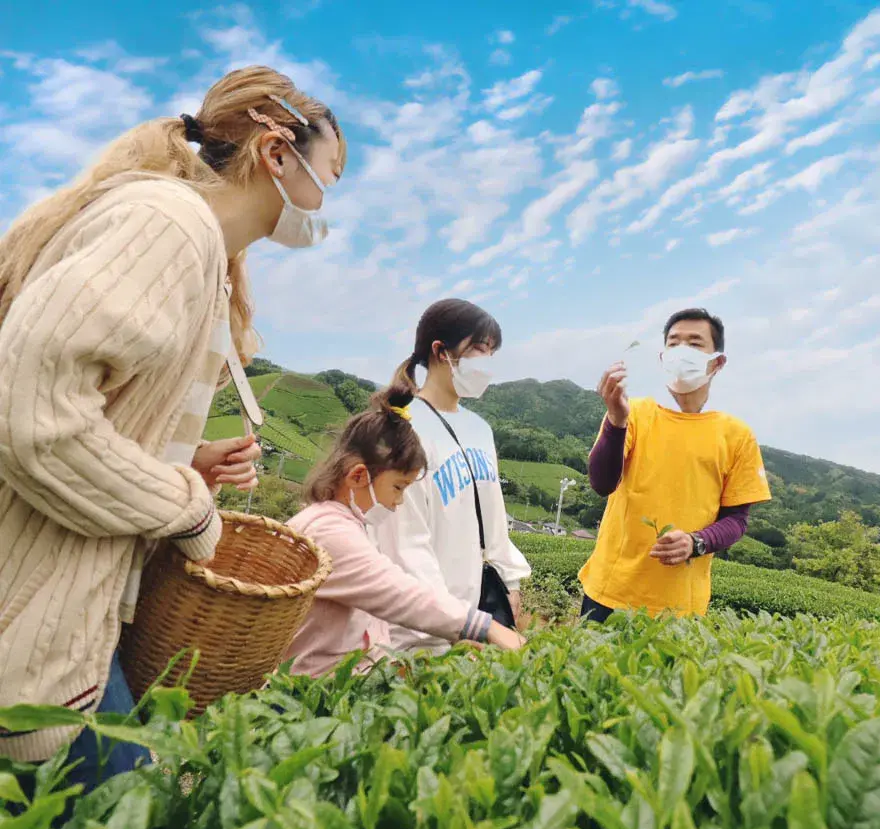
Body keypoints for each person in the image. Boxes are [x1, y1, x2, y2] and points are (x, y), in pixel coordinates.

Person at [0, 66, 346, 788]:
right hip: (34, 621)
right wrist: (185, 505)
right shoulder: (166, 226)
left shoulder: (199, 249)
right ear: (277, 151)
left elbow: (91, 409)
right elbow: (33, 417)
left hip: (72, 619)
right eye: (330, 175)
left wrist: (184, 460)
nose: (327, 203)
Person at [285, 386, 525, 677]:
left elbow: (370, 628)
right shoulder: (327, 532)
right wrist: (485, 627)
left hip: (347, 680)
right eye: (398, 487)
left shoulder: (348, 524)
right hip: (315, 693)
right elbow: (399, 594)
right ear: (358, 476)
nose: (398, 502)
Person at [578, 308, 771, 622]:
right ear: (662, 357)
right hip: (610, 592)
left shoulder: (736, 435)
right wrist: (616, 421)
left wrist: (696, 542)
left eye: (695, 345)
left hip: (680, 607)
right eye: (674, 343)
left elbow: (736, 520)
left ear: (717, 362)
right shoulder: (634, 413)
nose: (682, 352)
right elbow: (602, 483)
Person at [375, 299, 531, 654]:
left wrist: (510, 581)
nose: (486, 361)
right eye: (478, 348)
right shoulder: (402, 427)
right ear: (440, 351)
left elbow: (493, 518)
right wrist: (454, 620)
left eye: (492, 352)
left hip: (482, 613)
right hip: (423, 628)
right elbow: (405, 541)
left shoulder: (480, 429)